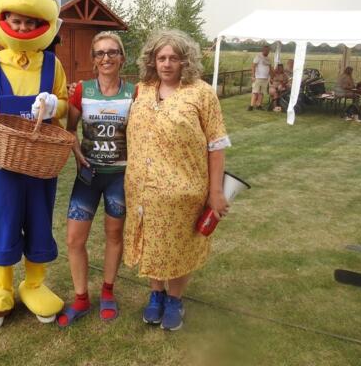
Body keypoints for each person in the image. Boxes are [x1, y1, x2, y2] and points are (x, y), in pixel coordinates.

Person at [0, 0, 68, 331]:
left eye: (31, 22)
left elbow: (64, 104)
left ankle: (35, 284)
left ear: (44, 24)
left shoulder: (53, 65)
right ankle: (2, 287)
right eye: (17, 20)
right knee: (4, 220)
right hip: (3, 164)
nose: (24, 27)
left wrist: (54, 105)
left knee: (39, 220)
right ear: (3, 19)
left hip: (40, 163)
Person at [123, 29, 230, 331]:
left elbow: (216, 144)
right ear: (152, 61)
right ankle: (156, 293)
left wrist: (216, 191)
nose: (167, 64)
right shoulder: (142, 90)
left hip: (184, 191)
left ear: (186, 61)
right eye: (161, 58)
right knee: (152, 242)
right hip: (142, 189)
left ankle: (175, 299)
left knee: (179, 246)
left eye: (174, 58)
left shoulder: (201, 93)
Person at [57, 32, 134, 327]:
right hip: (88, 176)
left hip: (119, 178)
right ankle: (81, 298)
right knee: (74, 239)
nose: (106, 58)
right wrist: (77, 152)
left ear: (122, 57)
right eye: (100, 53)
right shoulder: (82, 90)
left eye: (112, 52)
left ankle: (107, 292)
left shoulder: (134, 93)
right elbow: (70, 129)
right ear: (93, 59)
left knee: (114, 236)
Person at [248, 45, 272, 111]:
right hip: (258, 77)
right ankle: (251, 106)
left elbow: (270, 68)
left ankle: (259, 105)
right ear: (263, 50)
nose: (267, 52)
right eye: (266, 50)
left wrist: (271, 77)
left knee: (262, 92)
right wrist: (253, 76)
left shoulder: (269, 58)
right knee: (255, 92)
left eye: (268, 50)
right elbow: (253, 66)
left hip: (265, 78)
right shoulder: (258, 56)